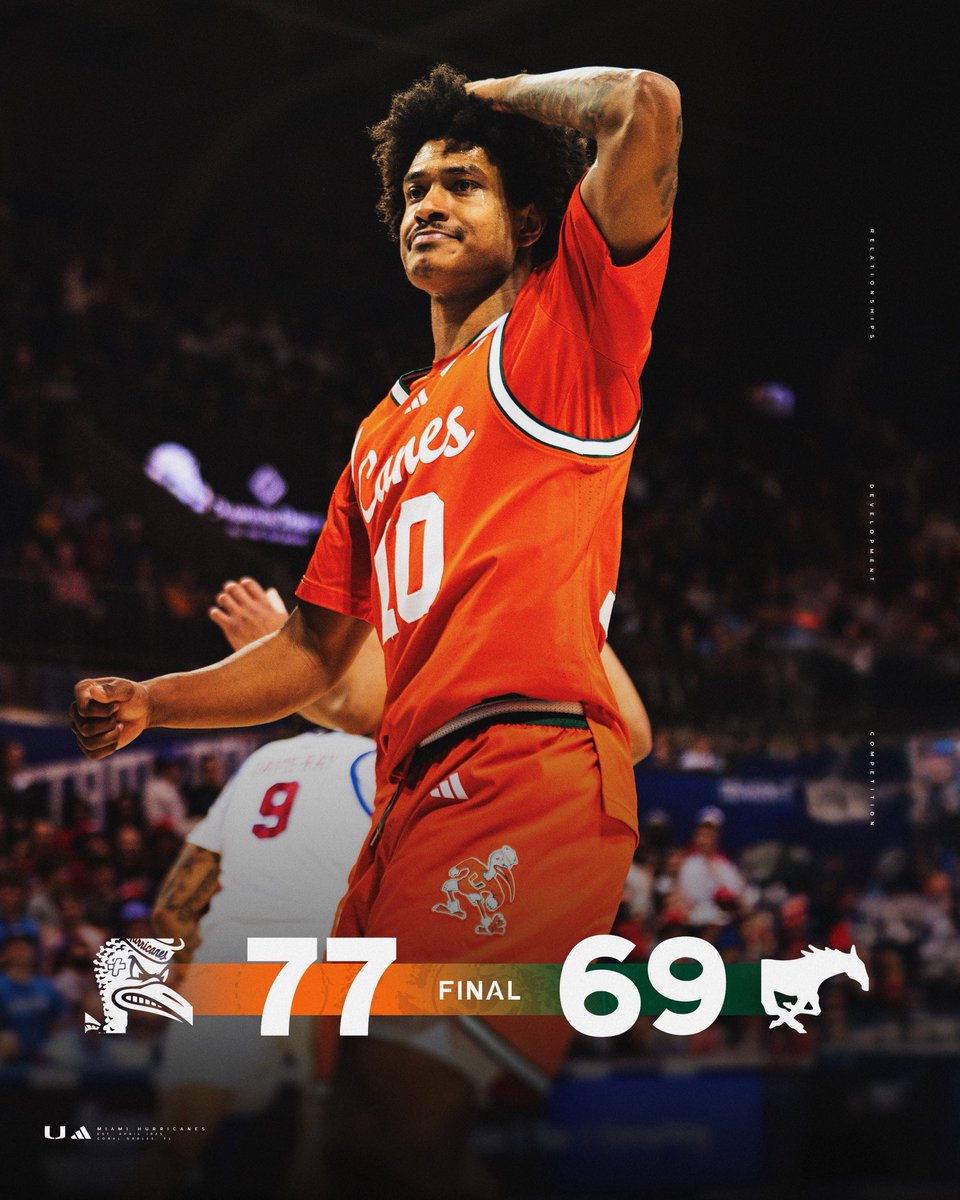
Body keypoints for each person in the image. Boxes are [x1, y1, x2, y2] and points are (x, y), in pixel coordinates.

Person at [72, 62, 680, 1197]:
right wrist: (156, 700)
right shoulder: (379, 432)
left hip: (524, 767)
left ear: (530, 220)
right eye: (412, 189)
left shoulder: (563, 341)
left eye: (462, 183)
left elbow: (646, 107)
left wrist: (498, 95)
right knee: (357, 1139)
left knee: (392, 1122)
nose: (427, 203)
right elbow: (313, 654)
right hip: (404, 798)